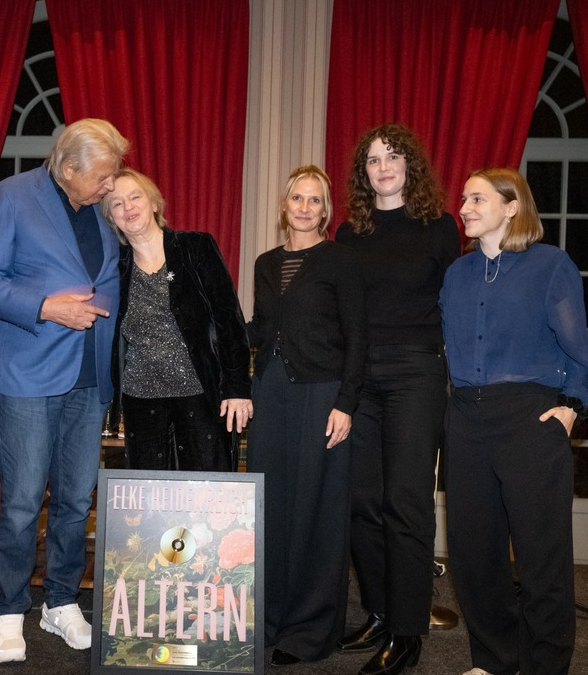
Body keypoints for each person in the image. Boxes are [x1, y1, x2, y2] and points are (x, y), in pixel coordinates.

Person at [0, 118, 129, 663]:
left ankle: (60, 602)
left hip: (90, 378)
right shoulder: (12, 197)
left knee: (75, 501)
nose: (111, 186)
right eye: (103, 177)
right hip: (30, 375)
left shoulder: (104, 208)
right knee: (19, 503)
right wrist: (45, 308)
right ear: (67, 168)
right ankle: (8, 610)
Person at [439, 168, 588, 675]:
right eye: (464, 198)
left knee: (541, 557)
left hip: (529, 417)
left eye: (478, 198)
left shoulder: (551, 266)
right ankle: (495, 659)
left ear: (512, 207)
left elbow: (579, 352)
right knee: (474, 556)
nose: (464, 206)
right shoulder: (456, 274)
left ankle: (544, 667)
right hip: (466, 419)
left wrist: (570, 408)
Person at [334, 124, 461, 675]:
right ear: (363, 173)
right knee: (362, 503)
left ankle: (408, 633)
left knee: (405, 505)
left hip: (416, 374)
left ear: (412, 166)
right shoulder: (348, 232)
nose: (382, 167)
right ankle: (381, 614)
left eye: (393, 157)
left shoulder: (438, 227)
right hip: (359, 379)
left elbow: (454, 303)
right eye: (372, 160)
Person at [246, 165, 367, 666]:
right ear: (284, 205)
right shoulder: (265, 263)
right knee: (268, 506)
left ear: (326, 210)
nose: (304, 206)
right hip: (271, 392)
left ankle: (311, 630)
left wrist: (346, 403)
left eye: (314, 199)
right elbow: (261, 329)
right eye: (297, 197)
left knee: (317, 510)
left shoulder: (341, 261)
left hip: (322, 394)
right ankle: (268, 619)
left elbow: (358, 338)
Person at [103, 168, 252, 471]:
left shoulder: (195, 248)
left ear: (154, 204)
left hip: (200, 396)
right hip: (140, 404)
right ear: (112, 217)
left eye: (135, 197)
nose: (128, 207)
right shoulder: (112, 269)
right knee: (149, 508)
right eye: (117, 204)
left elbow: (229, 320)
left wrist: (236, 387)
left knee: (205, 503)